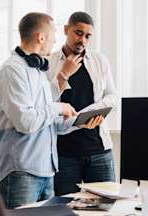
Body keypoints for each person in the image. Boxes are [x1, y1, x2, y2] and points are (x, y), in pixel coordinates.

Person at [0, 12, 102, 209]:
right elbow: (27, 122)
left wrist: (78, 123)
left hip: (46, 170)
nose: (55, 40)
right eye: (52, 35)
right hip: (21, 171)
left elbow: (47, 121)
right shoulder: (12, 70)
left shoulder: (37, 70)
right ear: (41, 37)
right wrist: (59, 107)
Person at [47, 11, 118, 196]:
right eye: (78, 33)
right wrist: (63, 74)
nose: (83, 40)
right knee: (66, 209)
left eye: (88, 36)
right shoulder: (49, 62)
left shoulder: (99, 60)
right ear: (65, 30)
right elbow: (44, 105)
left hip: (99, 151)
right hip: (64, 154)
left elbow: (111, 96)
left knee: (107, 206)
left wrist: (89, 115)